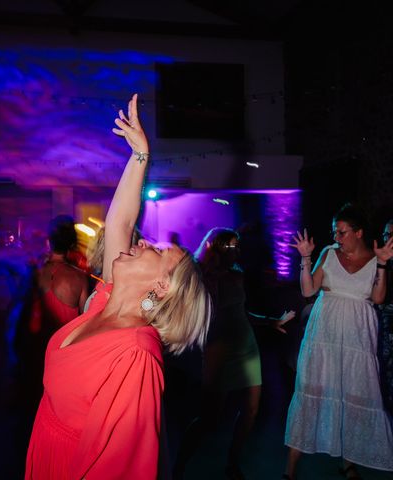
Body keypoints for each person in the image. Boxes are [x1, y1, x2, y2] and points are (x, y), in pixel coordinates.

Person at [25, 94, 211, 479]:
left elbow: (120, 466)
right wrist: (140, 155)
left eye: (156, 250)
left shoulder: (137, 354)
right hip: (45, 450)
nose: (143, 242)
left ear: (161, 286)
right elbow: (120, 224)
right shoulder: (103, 301)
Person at [173, 227, 294, 480]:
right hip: (219, 348)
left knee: (252, 407)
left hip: (246, 345)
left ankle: (233, 463)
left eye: (238, 246)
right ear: (214, 247)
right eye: (231, 246)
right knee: (210, 418)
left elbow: (243, 312)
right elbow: (193, 310)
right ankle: (178, 466)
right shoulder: (199, 274)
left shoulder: (237, 275)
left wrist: (270, 322)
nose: (237, 251)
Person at [284, 204, 393, 480]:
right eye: (335, 231)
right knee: (312, 392)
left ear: (358, 233)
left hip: (358, 337)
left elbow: (378, 298)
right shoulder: (329, 254)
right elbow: (309, 289)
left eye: (342, 232)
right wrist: (306, 259)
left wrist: (382, 264)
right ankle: (289, 470)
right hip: (325, 335)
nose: (337, 237)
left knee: (352, 393)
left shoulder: (375, 258)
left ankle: (348, 461)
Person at [377, 219, 393, 415]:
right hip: (383, 324)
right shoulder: (379, 261)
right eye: (385, 235)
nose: (388, 239)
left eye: (391, 235)